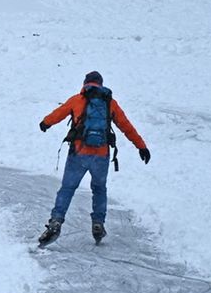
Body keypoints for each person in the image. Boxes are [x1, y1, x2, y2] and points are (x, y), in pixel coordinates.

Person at [36, 71, 151, 247]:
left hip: (78, 154)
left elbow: (58, 114)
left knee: (67, 188)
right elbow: (126, 126)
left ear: (85, 83)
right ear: (101, 84)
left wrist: (45, 122)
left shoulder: (77, 100)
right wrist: (141, 146)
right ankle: (98, 223)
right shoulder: (109, 103)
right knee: (99, 189)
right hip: (101, 156)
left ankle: (56, 221)